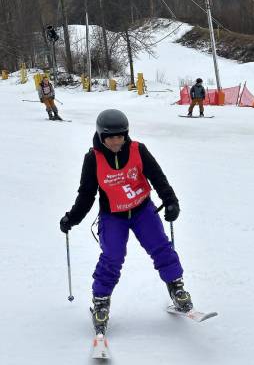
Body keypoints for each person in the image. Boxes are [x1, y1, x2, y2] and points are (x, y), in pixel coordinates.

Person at [59, 109, 193, 335]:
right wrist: (72, 218)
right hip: (113, 217)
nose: (116, 141)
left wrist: (171, 201)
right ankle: (101, 301)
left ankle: (176, 288)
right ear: (101, 136)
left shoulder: (138, 150)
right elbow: (87, 194)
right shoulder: (93, 159)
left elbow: (158, 178)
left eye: (120, 136)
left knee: (161, 248)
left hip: (142, 211)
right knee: (112, 257)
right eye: (110, 137)